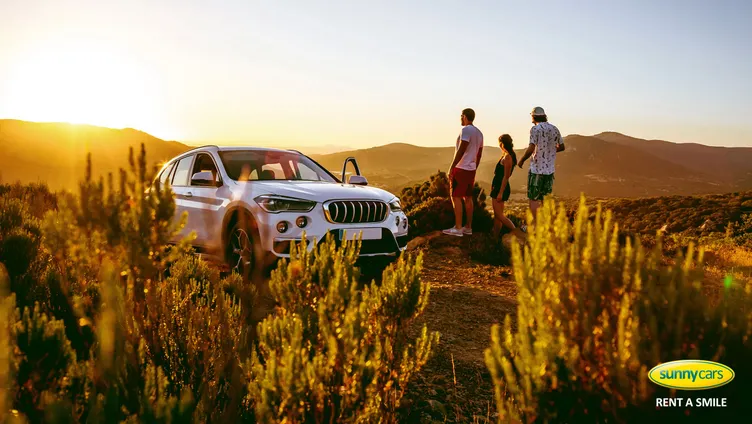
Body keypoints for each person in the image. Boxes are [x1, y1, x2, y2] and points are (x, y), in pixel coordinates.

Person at [517, 106, 564, 228]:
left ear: (534, 116)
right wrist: (551, 151)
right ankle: (545, 226)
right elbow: (562, 146)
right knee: (545, 199)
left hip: (537, 169)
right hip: (549, 170)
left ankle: (534, 226)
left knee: (533, 198)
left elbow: (531, 147)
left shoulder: (535, 129)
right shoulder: (554, 129)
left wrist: (521, 160)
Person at [443, 108, 483, 237]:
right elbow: (479, 154)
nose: (460, 118)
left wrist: (452, 166)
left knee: (456, 197)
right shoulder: (479, 133)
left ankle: (458, 228)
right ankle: (468, 227)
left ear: (465, 116)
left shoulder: (466, 130)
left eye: (461, 116)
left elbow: (462, 148)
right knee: (468, 197)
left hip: (461, 168)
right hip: (471, 169)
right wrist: (474, 167)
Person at [490, 134, 525, 239]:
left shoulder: (508, 157)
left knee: (499, 215)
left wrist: (500, 192)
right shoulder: (506, 155)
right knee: (497, 216)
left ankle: (516, 231)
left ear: (502, 143)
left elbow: (506, 176)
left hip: (500, 187)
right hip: (497, 186)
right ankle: (495, 237)